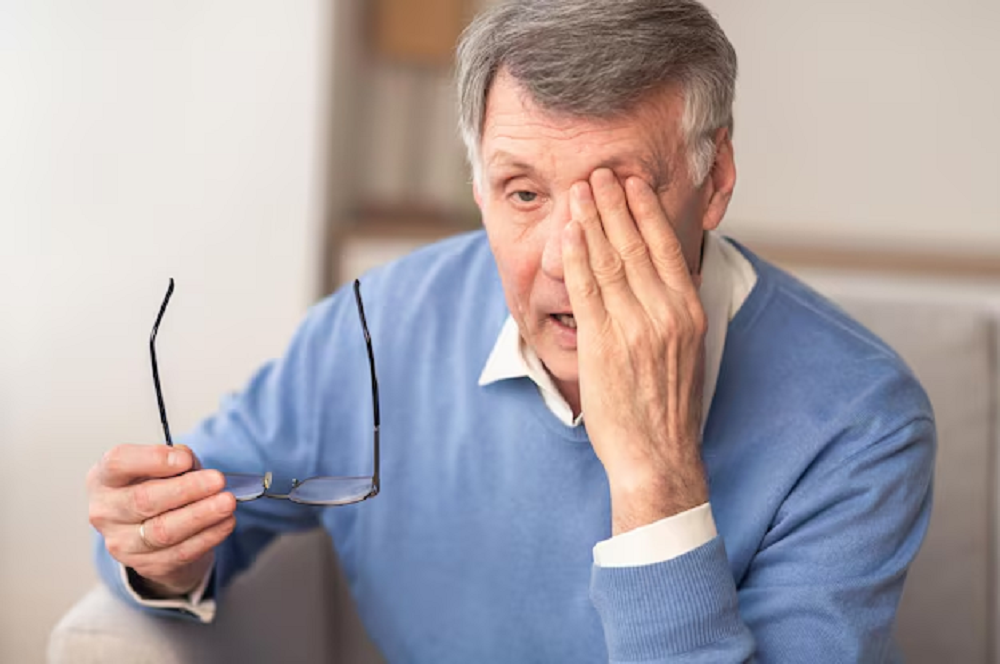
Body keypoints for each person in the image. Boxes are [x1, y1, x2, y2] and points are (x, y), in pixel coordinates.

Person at [86, 0, 935, 661]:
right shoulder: (378, 326)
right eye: (524, 194)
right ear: (479, 187)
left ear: (714, 182)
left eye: (619, 199)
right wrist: (160, 552)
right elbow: (174, 536)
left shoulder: (861, 420)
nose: (565, 260)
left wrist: (653, 477)